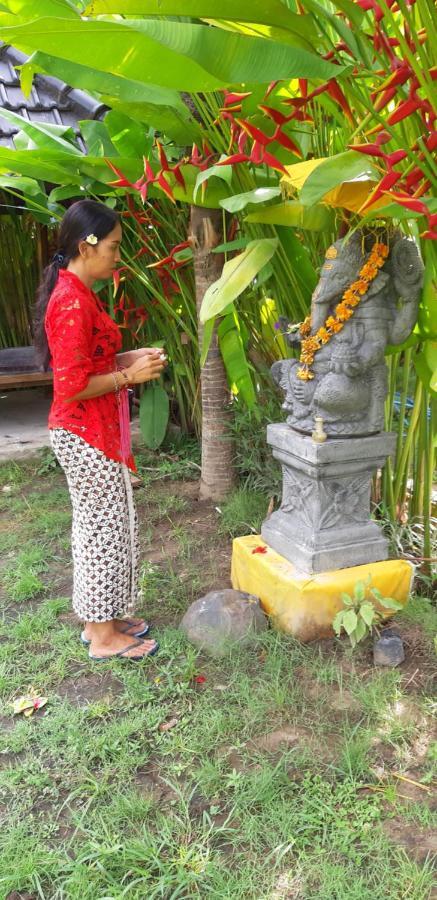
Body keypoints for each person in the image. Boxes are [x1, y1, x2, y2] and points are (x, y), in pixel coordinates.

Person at [34, 199, 167, 661]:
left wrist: (126, 360)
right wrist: (128, 376)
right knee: (100, 530)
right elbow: (71, 387)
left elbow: (88, 362)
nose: (118, 256)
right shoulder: (70, 300)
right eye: (113, 247)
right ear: (86, 246)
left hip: (94, 431)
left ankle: (104, 619)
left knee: (106, 527)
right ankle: (102, 634)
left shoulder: (79, 291)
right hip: (83, 432)